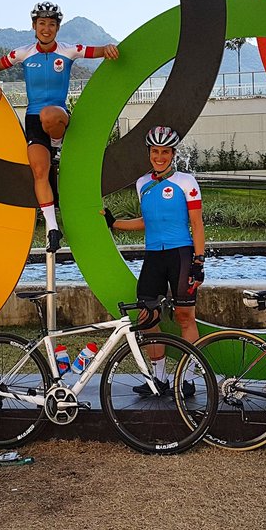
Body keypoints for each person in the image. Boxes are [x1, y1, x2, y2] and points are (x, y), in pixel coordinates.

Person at [0, 1, 119, 252]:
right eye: (42, 24)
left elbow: (97, 51)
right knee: (39, 171)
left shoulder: (69, 50)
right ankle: (52, 228)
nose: (46, 28)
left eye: (51, 24)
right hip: (33, 120)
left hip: (57, 116)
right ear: (34, 26)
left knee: (49, 114)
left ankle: (57, 144)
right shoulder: (23, 53)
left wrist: (109, 48)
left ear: (58, 28)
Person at [103, 126, 205, 397]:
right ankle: (158, 379)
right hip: (154, 256)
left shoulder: (186, 182)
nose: (160, 156)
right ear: (149, 153)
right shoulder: (142, 184)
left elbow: (196, 223)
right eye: (155, 151)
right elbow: (147, 223)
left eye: (165, 152)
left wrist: (199, 261)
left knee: (185, 316)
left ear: (173, 154)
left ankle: (189, 379)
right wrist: (115, 224)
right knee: (148, 317)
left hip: (181, 255)